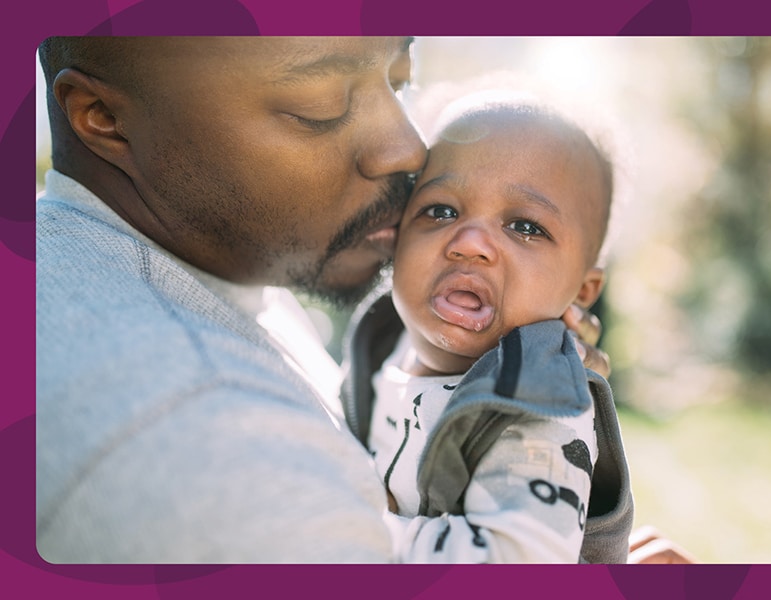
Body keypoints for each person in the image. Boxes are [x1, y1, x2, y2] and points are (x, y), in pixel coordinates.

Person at [35, 36, 609, 563]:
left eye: (399, 80)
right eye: (320, 106)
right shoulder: (195, 428)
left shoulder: (222, 274)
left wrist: (587, 526)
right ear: (105, 118)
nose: (409, 149)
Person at [340, 97, 633, 563]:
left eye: (524, 226)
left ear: (581, 291)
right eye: (440, 211)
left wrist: (352, 524)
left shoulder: (538, 407)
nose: (470, 243)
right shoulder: (384, 342)